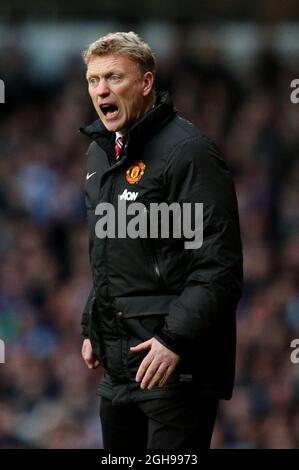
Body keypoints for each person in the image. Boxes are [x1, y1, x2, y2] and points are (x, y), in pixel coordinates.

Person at [80, 31, 243, 450]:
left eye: (114, 77)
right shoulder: (99, 154)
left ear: (147, 83)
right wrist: (92, 324)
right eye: (94, 80)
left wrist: (176, 340)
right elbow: (111, 253)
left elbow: (218, 264)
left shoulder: (188, 152)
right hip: (120, 369)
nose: (102, 90)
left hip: (175, 367)